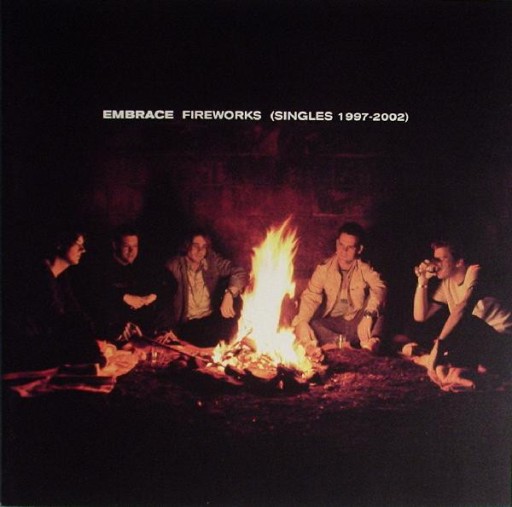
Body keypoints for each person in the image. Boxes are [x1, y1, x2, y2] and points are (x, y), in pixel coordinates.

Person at [4, 228, 105, 371]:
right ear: (60, 244)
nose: (83, 250)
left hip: (45, 339)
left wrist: (93, 338)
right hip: (26, 345)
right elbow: (57, 319)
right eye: (78, 245)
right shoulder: (38, 276)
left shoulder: (61, 276)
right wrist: (89, 346)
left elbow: (75, 311)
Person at [412, 239, 512, 373]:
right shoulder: (447, 283)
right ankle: (462, 368)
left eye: (441, 259)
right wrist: (422, 282)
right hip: (480, 342)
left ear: (459, 262)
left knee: (461, 323)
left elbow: (463, 309)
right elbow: (420, 316)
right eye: (435, 259)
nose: (435, 263)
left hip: (504, 343)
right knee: (448, 336)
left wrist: (440, 345)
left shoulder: (475, 271)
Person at [293, 222, 387, 355]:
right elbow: (311, 296)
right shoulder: (323, 269)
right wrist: (302, 321)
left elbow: (380, 288)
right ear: (337, 243)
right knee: (313, 325)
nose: (344, 251)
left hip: (357, 323)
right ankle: (345, 344)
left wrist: (368, 315)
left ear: (359, 249)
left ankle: (372, 343)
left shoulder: (365, 268)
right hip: (334, 325)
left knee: (380, 305)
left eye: (350, 247)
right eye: (341, 245)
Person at [85, 226, 175, 345]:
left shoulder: (144, 263)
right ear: (115, 245)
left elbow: (171, 283)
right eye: (126, 247)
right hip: (117, 329)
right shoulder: (101, 266)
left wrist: (154, 295)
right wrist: (124, 297)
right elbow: (95, 294)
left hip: (144, 328)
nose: (132, 251)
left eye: (135, 246)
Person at [163, 229, 248, 347]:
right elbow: (163, 298)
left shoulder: (212, 261)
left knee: (235, 309)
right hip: (188, 324)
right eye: (195, 246)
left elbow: (240, 273)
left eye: (204, 247)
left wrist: (229, 294)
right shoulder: (174, 266)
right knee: (212, 338)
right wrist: (168, 329)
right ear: (187, 246)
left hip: (210, 319)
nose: (200, 251)